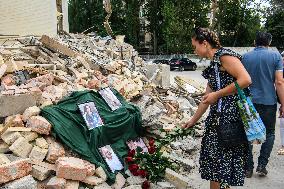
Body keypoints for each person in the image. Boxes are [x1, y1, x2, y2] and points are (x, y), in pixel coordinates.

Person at [183, 27, 251, 189]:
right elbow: (207, 99)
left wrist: (218, 94)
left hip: (229, 120)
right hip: (218, 120)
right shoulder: (214, 64)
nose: (194, 50)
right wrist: (192, 120)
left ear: (205, 43)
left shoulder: (225, 56)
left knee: (219, 164)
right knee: (216, 165)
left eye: (195, 46)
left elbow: (246, 80)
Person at [242, 31, 284, 177]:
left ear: (255, 42)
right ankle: (262, 164)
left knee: (247, 133)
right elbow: (279, 81)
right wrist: (283, 104)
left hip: (249, 102)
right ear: (269, 42)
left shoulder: (245, 57)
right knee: (270, 133)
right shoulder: (275, 56)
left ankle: (248, 168)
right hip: (268, 101)